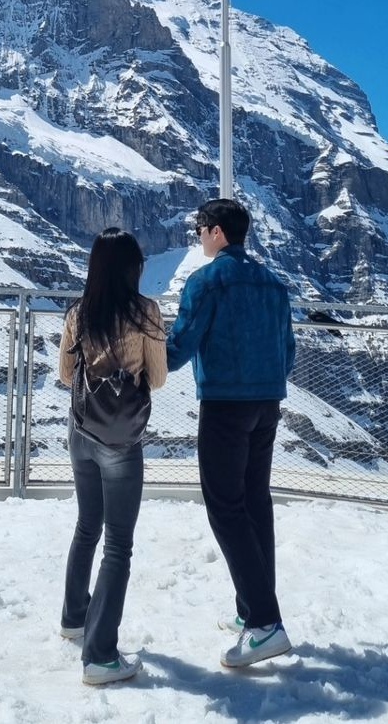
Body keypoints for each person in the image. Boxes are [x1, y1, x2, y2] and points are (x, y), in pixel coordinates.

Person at [166, 198, 296, 669]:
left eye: (200, 227)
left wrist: (141, 359)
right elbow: (289, 350)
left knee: (225, 508)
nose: (197, 235)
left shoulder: (207, 282)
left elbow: (180, 347)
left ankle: (265, 622)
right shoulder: (273, 284)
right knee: (255, 503)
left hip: (225, 405)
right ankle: (251, 610)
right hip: (268, 403)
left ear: (218, 232)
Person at [58, 227, 168, 686]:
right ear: (133, 268)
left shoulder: (79, 313)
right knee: (118, 544)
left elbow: (67, 375)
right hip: (121, 440)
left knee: (87, 527)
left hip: (81, 431)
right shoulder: (146, 312)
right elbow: (158, 377)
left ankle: (74, 616)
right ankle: (100, 655)